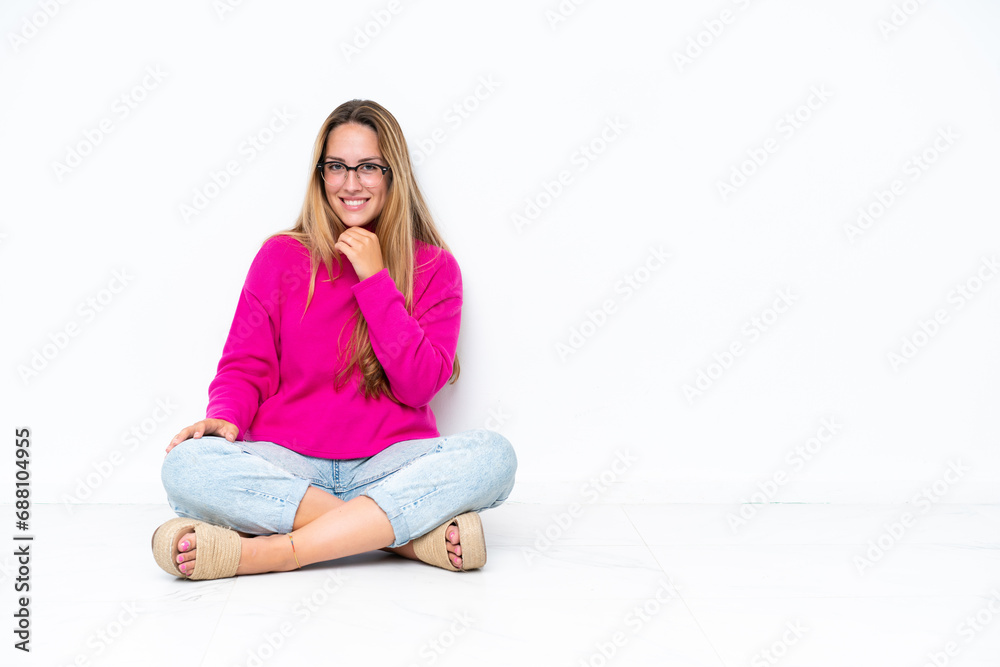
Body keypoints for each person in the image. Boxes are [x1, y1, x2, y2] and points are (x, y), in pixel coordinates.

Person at [152, 99, 516, 580]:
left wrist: (375, 280)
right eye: (337, 167)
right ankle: (399, 539)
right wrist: (224, 418)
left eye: (367, 167)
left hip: (389, 463)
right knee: (187, 466)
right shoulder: (281, 256)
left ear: (393, 174)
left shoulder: (435, 268)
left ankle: (274, 552)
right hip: (289, 464)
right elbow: (245, 365)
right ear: (320, 174)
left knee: (494, 458)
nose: (350, 183)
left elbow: (419, 386)